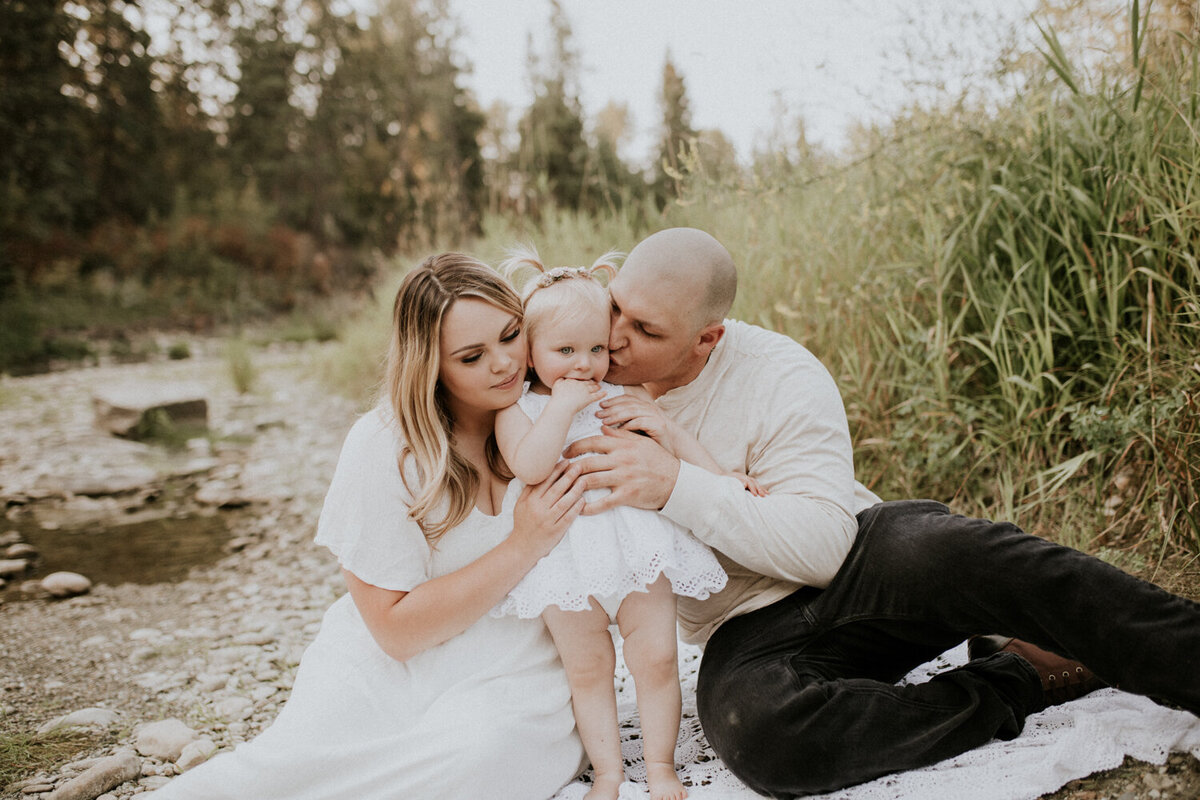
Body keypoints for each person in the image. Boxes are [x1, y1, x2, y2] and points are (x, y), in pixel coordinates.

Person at [567, 227, 1200, 798]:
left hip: (858, 559)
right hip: (744, 624)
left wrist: (674, 483)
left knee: (973, 555)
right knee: (761, 735)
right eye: (616, 306)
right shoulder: (579, 372)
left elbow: (821, 548)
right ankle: (1020, 676)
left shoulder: (779, 374)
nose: (615, 339)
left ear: (708, 337)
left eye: (647, 331)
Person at [145, 253, 589, 800]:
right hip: (388, 666)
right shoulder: (385, 445)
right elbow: (394, 632)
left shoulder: (562, 412)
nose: (504, 364)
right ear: (431, 364)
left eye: (511, 335)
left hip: (517, 665)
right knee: (286, 775)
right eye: (472, 356)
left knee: (478, 759)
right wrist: (525, 544)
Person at [491, 251, 737, 800]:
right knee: (588, 667)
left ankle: (660, 767)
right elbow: (528, 466)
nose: (585, 364)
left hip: (636, 544)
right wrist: (561, 408)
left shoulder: (622, 393)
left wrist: (723, 478)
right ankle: (608, 771)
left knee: (655, 656)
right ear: (530, 354)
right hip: (563, 557)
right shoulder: (518, 408)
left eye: (597, 348)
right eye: (565, 351)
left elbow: (669, 438)